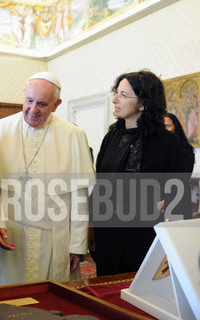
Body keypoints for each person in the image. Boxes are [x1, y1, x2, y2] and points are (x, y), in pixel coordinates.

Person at [0, 71, 95, 286]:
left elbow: (79, 195)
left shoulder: (73, 136)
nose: (33, 110)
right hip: (10, 235)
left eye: (42, 104)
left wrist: (77, 245)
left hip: (54, 239)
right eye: (29, 101)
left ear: (56, 104)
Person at [91, 70, 186, 276]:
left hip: (144, 235)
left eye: (123, 95)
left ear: (143, 103)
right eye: (116, 93)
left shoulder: (167, 142)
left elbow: (178, 192)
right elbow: (100, 183)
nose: (115, 100)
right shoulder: (112, 136)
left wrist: (165, 202)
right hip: (108, 232)